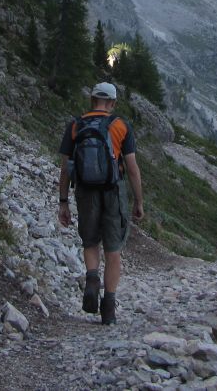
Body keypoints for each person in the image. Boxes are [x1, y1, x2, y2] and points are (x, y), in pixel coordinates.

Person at [57, 82, 144, 325]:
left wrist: (63, 202)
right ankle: (109, 308)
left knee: (90, 240)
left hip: (85, 191)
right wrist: (138, 200)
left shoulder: (75, 125)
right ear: (113, 103)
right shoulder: (120, 126)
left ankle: (92, 279)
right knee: (113, 249)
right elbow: (133, 169)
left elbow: (65, 169)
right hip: (112, 191)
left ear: (92, 100)